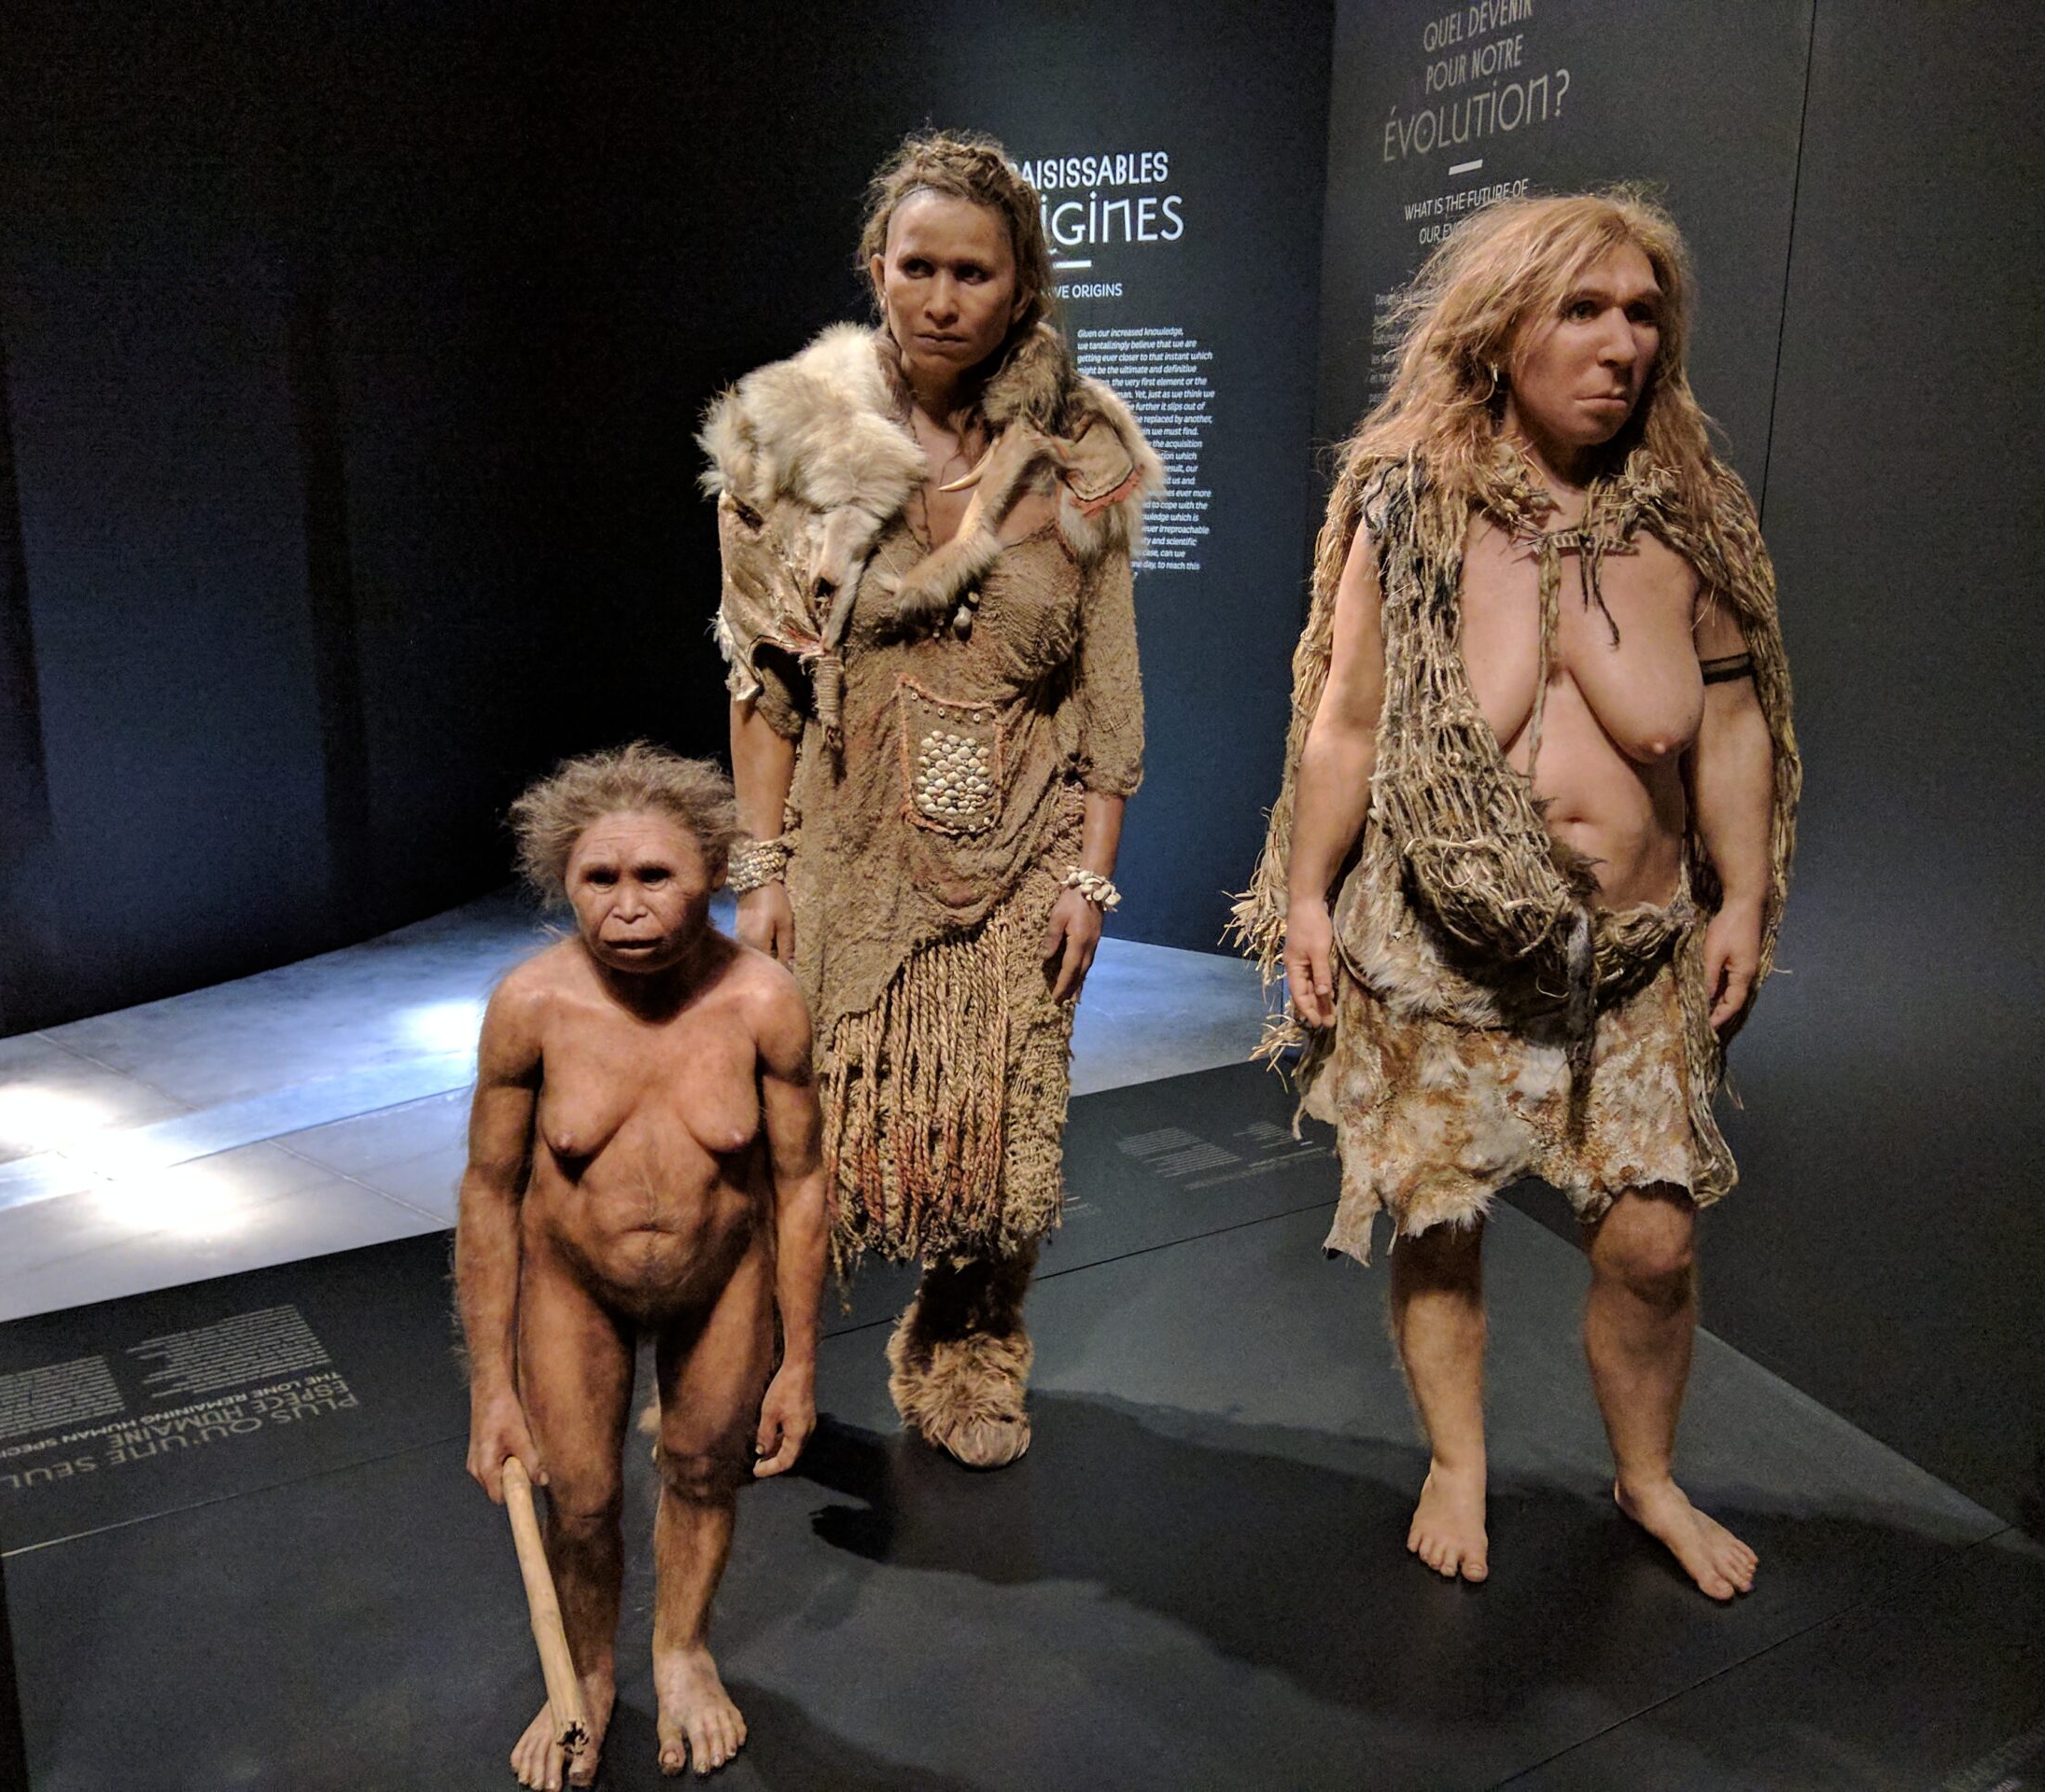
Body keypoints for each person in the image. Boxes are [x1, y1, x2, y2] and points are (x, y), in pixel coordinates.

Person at [1235, 191, 1800, 1599]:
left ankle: (1649, 1476)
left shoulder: (1694, 518)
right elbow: (1347, 721)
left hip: (1633, 950)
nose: (1622, 344)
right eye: (1583, 311)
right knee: (1441, 1217)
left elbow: (1734, 722)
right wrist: (1307, 897)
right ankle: (1457, 1460)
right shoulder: (1411, 505)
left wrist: (1745, 899)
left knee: (1655, 1244)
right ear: (1501, 333)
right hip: (1438, 943)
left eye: (1643, 313)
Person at [703, 131, 1160, 1469]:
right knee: (814, 1123)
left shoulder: (1081, 451)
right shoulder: (790, 439)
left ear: (1022, 285)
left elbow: (1108, 682)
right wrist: (763, 866)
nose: (943, 296)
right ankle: (758, 1366)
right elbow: (761, 679)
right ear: (876, 268)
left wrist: (1093, 876)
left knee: (1007, 1125)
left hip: (1025, 839)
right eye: (919, 266)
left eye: (975, 271)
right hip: (852, 839)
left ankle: (966, 1354)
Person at [455, 743, 828, 1785]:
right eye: (599, 879)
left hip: (724, 1277)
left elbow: (798, 1185)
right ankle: (587, 1671)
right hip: (571, 1282)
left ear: (710, 871)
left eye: (653, 876)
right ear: (562, 880)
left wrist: (799, 1358)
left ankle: (682, 1651)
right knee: (576, 1495)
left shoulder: (762, 1001)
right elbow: (488, 1193)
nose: (625, 906)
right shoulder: (530, 1004)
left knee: (706, 1467)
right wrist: (491, 1386)